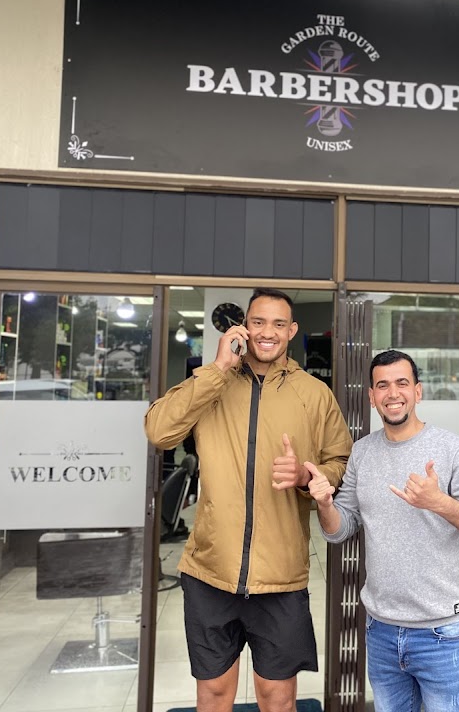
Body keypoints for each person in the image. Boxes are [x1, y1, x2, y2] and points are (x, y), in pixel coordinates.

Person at [144, 288, 352, 712]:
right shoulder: (210, 385)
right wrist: (218, 367)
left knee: (277, 698)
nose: (268, 332)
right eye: (259, 322)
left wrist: (305, 475)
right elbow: (159, 431)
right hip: (210, 571)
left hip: (281, 576)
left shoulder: (313, 393)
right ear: (244, 326)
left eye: (279, 324)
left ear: (292, 331)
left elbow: (340, 460)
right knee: (215, 694)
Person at [305, 349, 459, 712]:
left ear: (418, 392)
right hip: (381, 631)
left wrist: (439, 502)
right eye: (382, 385)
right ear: (371, 396)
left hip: (442, 633)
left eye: (402, 383)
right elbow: (340, 531)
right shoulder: (362, 453)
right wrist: (324, 503)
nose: (392, 393)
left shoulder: (451, 450)